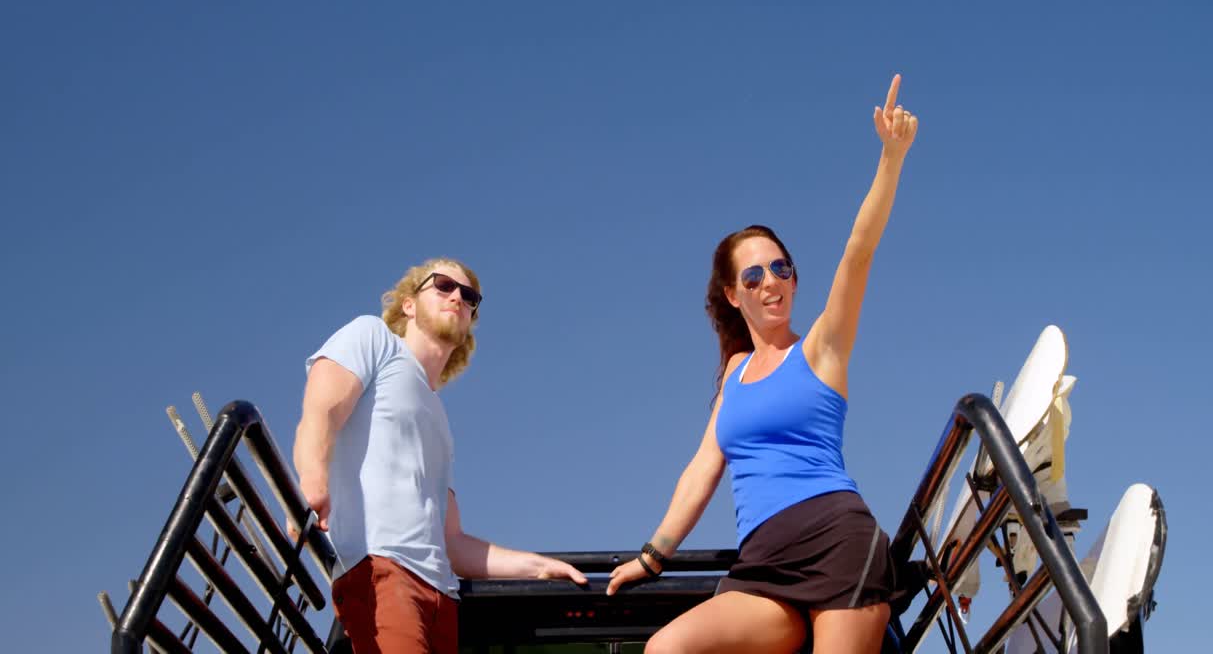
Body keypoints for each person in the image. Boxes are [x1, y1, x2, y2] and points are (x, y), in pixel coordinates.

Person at [607, 75, 919, 654]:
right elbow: (704, 467)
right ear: (732, 293)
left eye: (781, 269)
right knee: (664, 650)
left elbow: (859, 249)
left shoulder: (821, 348)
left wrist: (891, 158)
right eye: (753, 275)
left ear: (795, 278)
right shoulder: (735, 374)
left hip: (838, 541)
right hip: (763, 567)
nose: (771, 282)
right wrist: (652, 557)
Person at [293, 258, 587, 653]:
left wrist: (538, 567)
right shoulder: (374, 338)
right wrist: (312, 481)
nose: (458, 298)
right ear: (408, 304)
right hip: (381, 572)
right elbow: (323, 408)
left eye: (470, 296)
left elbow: (452, 540)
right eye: (444, 285)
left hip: (441, 598)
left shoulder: (439, 417)